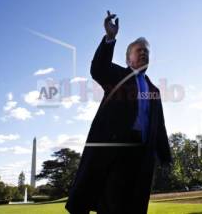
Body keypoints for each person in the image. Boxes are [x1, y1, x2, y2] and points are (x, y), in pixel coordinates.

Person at [65, 11, 172, 214]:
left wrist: (165, 156)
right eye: (138, 50)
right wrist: (110, 38)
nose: (143, 53)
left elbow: (159, 126)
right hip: (117, 151)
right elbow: (98, 68)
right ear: (128, 58)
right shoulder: (117, 76)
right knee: (112, 204)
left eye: (146, 52)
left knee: (136, 205)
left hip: (142, 155)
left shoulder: (154, 91)